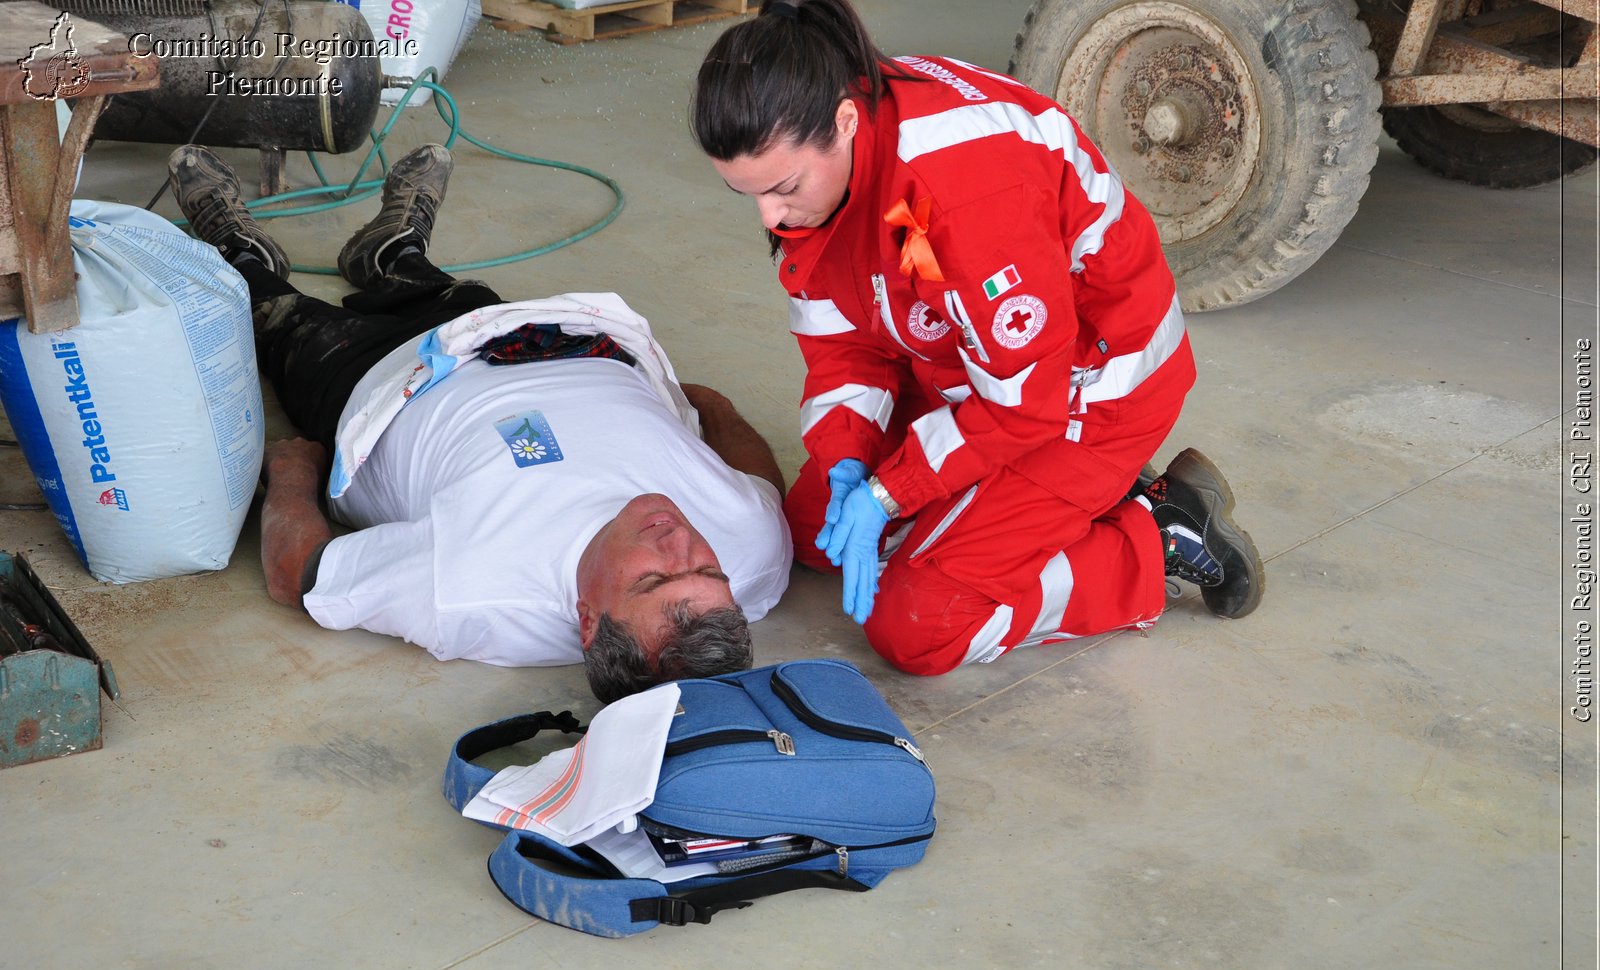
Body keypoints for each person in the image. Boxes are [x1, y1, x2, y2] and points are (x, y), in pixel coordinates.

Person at [688, 0, 1265, 676]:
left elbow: (1027, 401)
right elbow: (844, 338)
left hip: (1086, 391)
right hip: (970, 366)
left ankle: (1153, 531)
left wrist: (889, 491)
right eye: (747, 195)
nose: (771, 215)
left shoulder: (962, 193)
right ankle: (1047, 503)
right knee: (812, 533)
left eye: (782, 188)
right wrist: (849, 459)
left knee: (919, 623)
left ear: (844, 123)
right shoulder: (840, 144)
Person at [166, 142, 793, 701]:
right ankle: (390, 253)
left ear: (587, 620)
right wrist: (715, 407)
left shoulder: (474, 592)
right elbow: (761, 488)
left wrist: (292, 476)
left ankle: (239, 254)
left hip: (379, 385)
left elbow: (297, 574)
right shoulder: (753, 555)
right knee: (436, 291)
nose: (680, 542)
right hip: (537, 339)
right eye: (707, 570)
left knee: (271, 315)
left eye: (653, 578)